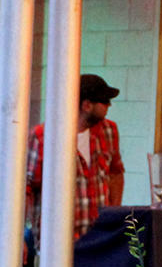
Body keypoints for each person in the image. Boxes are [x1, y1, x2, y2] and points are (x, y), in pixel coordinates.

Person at [27, 72, 125, 240]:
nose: (109, 106)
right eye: (104, 101)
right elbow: (26, 187)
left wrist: (113, 213)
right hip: (55, 240)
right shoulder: (43, 136)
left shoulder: (109, 130)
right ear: (86, 105)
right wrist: (19, 236)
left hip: (99, 237)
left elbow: (116, 172)